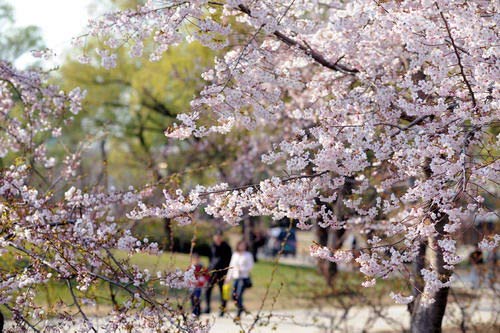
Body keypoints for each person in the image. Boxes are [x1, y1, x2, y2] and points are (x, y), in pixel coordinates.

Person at [205, 230, 232, 315]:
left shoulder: (227, 247)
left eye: (219, 237)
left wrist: (228, 273)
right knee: (207, 289)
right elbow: (210, 258)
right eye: (216, 237)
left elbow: (229, 260)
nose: (218, 239)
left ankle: (223, 309)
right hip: (213, 272)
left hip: (223, 272)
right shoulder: (212, 246)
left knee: (223, 291)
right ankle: (207, 307)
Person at [226, 240, 254, 318]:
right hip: (236, 277)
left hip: (243, 277)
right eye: (241, 245)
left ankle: (239, 311)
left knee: (239, 294)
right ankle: (241, 307)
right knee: (233, 295)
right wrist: (228, 277)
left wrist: (242, 269)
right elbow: (231, 266)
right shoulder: (235, 255)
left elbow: (251, 266)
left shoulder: (248, 255)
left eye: (243, 245)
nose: (242, 247)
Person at [189, 253, 209, 317]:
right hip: (192, 286)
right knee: (192, 298)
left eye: (197, 259)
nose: (196, 261)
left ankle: (198, 312)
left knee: (197, 298)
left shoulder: (202, 267)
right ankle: (193, 312)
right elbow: (187, 276)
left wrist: (201, 280)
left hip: (199, 286)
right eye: (194, 259)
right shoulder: (190, 268)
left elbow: (207, 276)